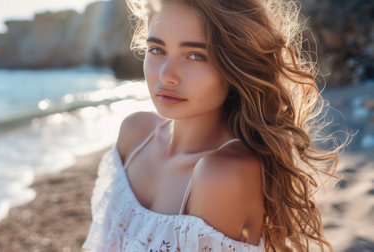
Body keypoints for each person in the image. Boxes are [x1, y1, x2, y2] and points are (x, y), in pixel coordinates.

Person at [83, 0, 343, 251]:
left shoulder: (220, 174)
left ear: (235, 63)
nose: (166, 76)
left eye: (195, 55)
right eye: (157, 50)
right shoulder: (135, 132)